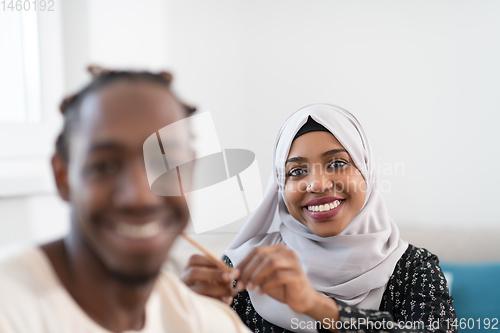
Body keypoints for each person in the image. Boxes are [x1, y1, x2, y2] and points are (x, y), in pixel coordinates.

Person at [0, 66, 250, 333]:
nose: (140, 197)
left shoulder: (204, 322)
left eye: (167, 164)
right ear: (62, 176)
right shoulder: (11, 311)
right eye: (105, 166)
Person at [182, 104, 457, 333]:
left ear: (366, 171)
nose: (317, 184)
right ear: (280, 186)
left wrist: (317, 306)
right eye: (297, 171)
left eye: (337, 163)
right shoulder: (243, 272)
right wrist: (186, 312)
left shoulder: (413, 268)